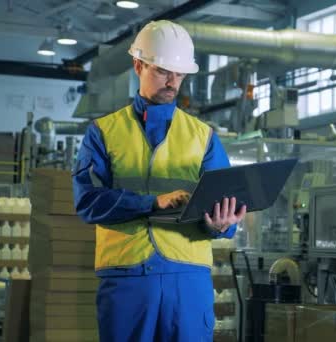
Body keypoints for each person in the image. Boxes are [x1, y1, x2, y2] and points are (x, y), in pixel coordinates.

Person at [72, 20, 246, 342]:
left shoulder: (203, 137)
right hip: (127, 277)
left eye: (180, 74)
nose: (173, 81)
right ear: (139, 65)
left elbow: (227, 209)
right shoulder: (103, 133)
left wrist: (221, 225)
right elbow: (88, 202)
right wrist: (152, 202)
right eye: (164, 71)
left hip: (188, 278)